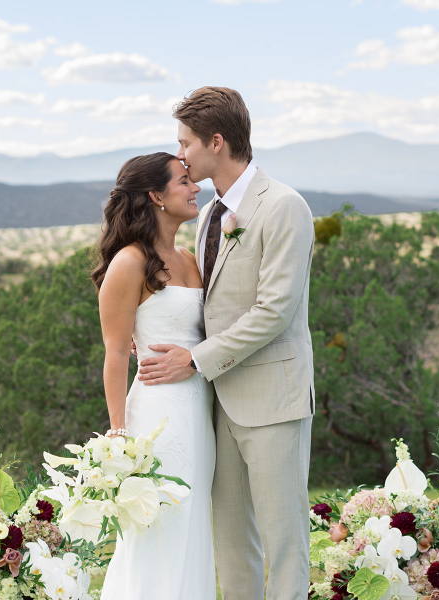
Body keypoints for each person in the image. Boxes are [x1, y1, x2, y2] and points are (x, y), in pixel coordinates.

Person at [137, 86, 316, 600]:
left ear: (216, 142)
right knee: (232, 543)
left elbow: (274, 311)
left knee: (285, 543)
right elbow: (211, 306)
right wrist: (155, 336)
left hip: (273, 401)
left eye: (185, 143)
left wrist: (194, 358)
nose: (180, 156)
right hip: (218, 401)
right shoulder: (210, 216)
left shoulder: (283, 206)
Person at [91, 152, 216, 599]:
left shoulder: (189, 257)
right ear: (156, 196)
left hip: (200, 411)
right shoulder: (129, 262)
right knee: (160, 529)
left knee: (193, 528)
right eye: (184, 181)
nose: (195, 186)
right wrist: (119, 435)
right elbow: (113, 355)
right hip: (157, 418)